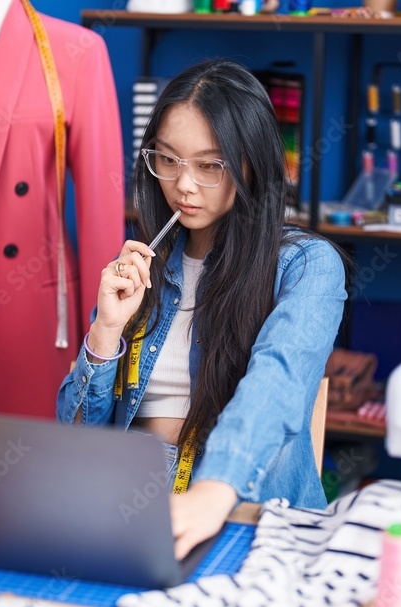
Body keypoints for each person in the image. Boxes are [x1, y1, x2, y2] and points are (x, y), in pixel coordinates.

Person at [56, 59, 348, 559]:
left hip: (248, 511)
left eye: (210, 165)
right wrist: (105, 333)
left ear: (251, 165)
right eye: (168, 160)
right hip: (128, 507)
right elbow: (78, 438)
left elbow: (276, 384)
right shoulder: (140, 269)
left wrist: (212, 491)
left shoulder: (306, 267)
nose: (184, 185)